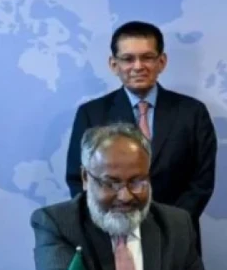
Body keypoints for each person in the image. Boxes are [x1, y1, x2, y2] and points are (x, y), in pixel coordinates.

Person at [34, 123, 227, 270]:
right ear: (86, 178)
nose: (125, 196)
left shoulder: (176, 223)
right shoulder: (56, 223)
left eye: (137, 181)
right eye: (111, 183)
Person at [65, 21, 216, 256]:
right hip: (111, 235)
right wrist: (108, 222)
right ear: (113, 64)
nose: (138, 66)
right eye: (128, 59)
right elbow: (78, 179)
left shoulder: (192, 113)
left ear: (161, 62)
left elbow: (201, 182)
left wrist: (170, 225)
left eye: (147, 57)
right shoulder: (92, 114)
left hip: (176, 239)